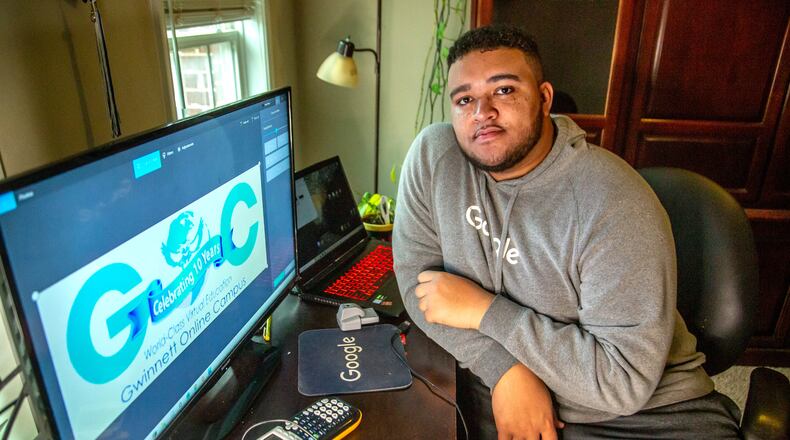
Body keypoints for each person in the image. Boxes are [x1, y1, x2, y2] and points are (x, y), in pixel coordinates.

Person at [392, 25, 741, 439]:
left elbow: (622, 383)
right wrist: (504, 370)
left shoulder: (612, 201)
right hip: (509, 395)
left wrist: (484, 311)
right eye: (464, 99)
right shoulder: (436, 158)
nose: (482, 112)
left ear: (544, 98)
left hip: (650, 416)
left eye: (503, 90)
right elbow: (418, 283)